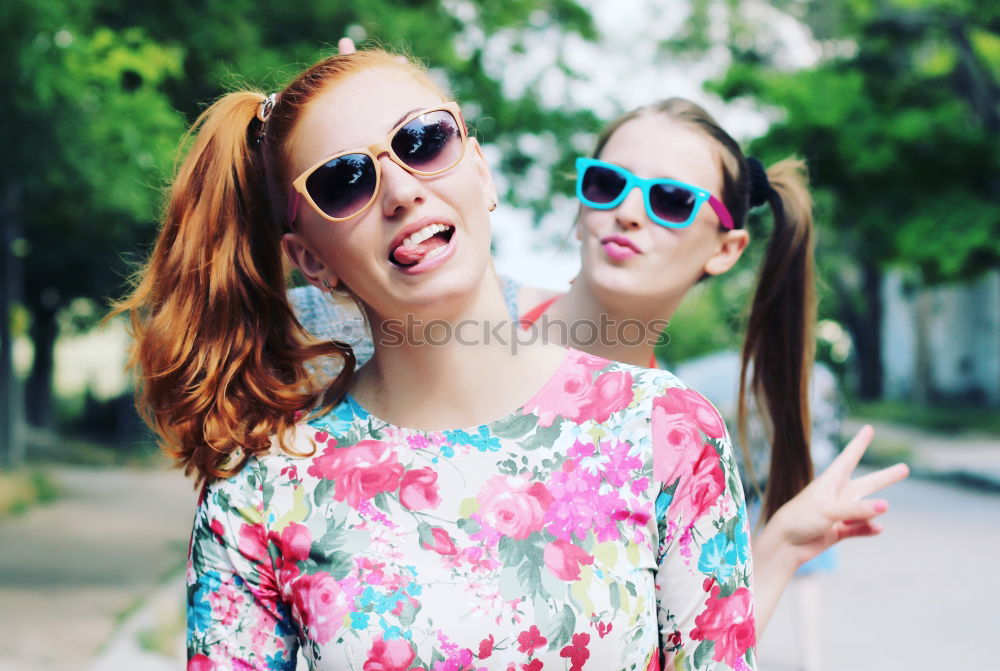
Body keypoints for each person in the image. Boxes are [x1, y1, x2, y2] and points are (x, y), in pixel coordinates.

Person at [113, 49, 759, 669]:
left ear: (481, 171)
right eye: (344, 182)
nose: (399, 190)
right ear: (311, 260)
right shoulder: (259, 494)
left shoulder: (667, 431)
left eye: (422, 141)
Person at [289, 76, 909, 636]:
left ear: (726, 248)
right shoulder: (407, 319)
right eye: (608, 184)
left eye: (671, 200)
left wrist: (777, 550)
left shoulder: (672, 437)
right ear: (583, 203)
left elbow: (694, 649)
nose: (629, 212)